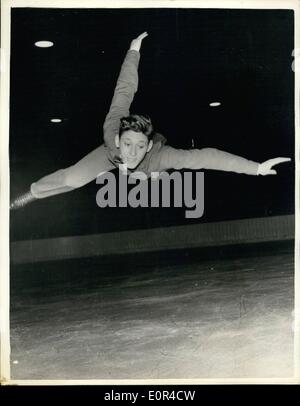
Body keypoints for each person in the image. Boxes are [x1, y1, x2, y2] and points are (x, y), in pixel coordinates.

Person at [10, 32, 291, 210]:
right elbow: (124, 88)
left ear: (147, 147)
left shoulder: (158, 155)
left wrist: (255, 168)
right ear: (119, 139)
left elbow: (207, 157)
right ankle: (27, 195)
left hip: (151, 169)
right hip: (109, 159)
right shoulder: (112, 132)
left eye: (138, 146)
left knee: (150, 177)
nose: (131, 152)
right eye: (128, 144)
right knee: (72, 177)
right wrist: (133, 51)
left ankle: (150, 176)